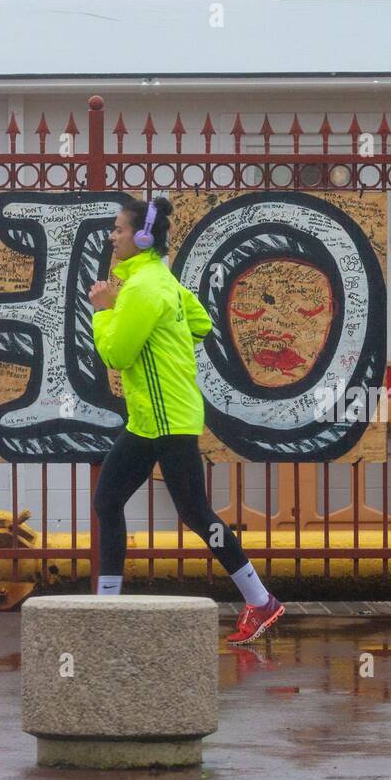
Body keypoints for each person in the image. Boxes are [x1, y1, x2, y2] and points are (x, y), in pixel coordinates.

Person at [88, 196, 285, 644]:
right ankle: (107, 606)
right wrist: (162, 343)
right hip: (150, 419)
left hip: (167, 420)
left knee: (196, 513)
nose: (112, 236)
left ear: (141, 237)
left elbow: (118, 353)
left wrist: (103, 310)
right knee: (107, 501)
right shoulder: (162, 282)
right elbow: (199, 325)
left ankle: (262, 603)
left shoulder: (142, 289)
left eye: (118, 230)